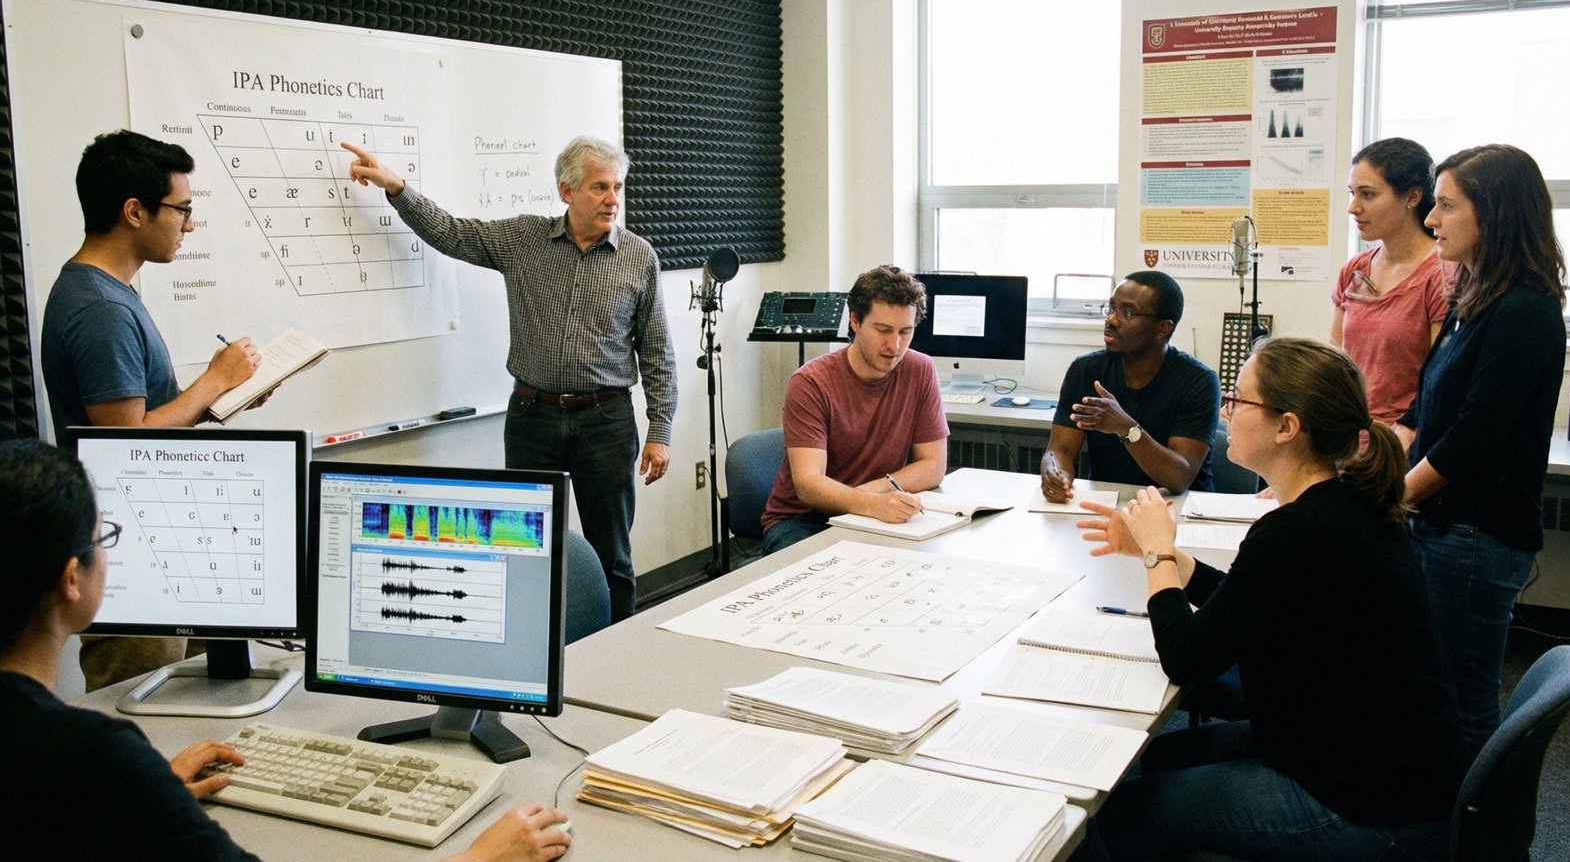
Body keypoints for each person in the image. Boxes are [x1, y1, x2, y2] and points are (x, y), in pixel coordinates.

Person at [0, 439, 572, 861]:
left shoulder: (78, 767)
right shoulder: (88, 755)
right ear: (72, 578)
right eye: (104, 538)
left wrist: (146, 799)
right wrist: (478, 860)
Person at [1074, 338, 1458, 861]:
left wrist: (1157, 557)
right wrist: (1166, 555)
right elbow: (1252, 600)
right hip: (1375, 755)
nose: (1226, 412)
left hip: (1365, 800)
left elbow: (1186, 657)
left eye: (1239, 400)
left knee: (1114, 814)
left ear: (1287, 427)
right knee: (1159, 758)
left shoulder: (1298, 529)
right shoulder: (1343, 505)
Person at [343, 137, 676, 623]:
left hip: (605, 421)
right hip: (531, 418)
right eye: (599, 187)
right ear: (567, 191)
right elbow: (452, 233)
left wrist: (660, 431)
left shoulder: (638, 256)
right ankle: (529, 648)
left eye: (617, 187)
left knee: (612, 556)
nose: (613, 199)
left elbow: (658, 351)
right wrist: (396, 187)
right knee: (522, 547)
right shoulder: (524, 240)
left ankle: (618, 646)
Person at [42, 130, 265, 691]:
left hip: (158, 542)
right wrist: (213, 381)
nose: (189, 224)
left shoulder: (106, 293)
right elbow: (126, 444)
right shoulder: (101, 310)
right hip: (136, 552)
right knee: (141, 708)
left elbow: (145, 419)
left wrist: (220, 397)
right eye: (182, 209)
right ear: (134, 212)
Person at [1398, 144, 1567, 765]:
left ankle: (1471, 819)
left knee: (1464, 699)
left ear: (1493, 213)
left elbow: (1473, 438)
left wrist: (1392, 498)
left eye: (1446, 206)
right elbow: (1424, 411)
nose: (1431, 220)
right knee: (1435, 685)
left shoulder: (1525, 310)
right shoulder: (1473, 299)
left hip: (1475, 535)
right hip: (1443, 526)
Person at [759, 266, 948, 554]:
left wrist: (872, 495)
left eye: (905, 331)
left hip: (876, 510)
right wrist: (872, 503)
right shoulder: (810, 382)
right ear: (855, 321)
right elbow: (809, 485)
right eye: (883, 330)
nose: (895, 345)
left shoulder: (920, 369)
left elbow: (933, 465)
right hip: (804, 520)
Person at [1041, 271, 1219, 501]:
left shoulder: (1199, 381)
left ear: (1162, 328)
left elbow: (1178, 478)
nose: (1111, 320)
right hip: (1109, 501)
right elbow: (1060, 449)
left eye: (1127, 313)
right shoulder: (1086, 370)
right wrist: (1055, 472)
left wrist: (1126, 428)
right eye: (1111, 308)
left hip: (1179, 507)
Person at [1332, 137, 1455, 424]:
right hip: (1348, 430)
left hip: (1404, 434)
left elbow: (1440, 381)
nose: (1353, 207)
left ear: (1412, 197)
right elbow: (1334, 358)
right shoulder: (1355, 269)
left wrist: (1402, 434)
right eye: (1352, 193)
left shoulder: (1442, 275)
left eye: (1368, 195)